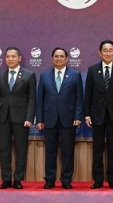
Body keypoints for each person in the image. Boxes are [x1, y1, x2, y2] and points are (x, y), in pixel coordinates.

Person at [36, 47, 84, 189]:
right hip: (49, 120)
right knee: (50, 152)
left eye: (62, 56)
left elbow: (79, 99)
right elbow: (40, 99)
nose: (59, 58)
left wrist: (78, 116)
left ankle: (66, 180)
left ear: (67, 59)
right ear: (52, 59)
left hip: (68, 120)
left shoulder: (75, 75)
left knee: (67, 152)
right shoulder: (44, 76)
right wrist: (40, 119)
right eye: (56, 56)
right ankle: (49, 180)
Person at [84, 40, 113, 189]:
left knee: (112, 148)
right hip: (96, 115)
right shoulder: (92, 70)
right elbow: (88, 94)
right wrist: (87, 114)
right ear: (100, 52)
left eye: (111, 50)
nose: (108, 53)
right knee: (97, 148)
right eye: (105, 50)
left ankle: (112, 179)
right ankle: (97, 180)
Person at [0, 47, 36, 190]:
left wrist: (29, 117)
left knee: (21, 150)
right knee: (4, 150)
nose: (10, 59)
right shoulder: (0, 75)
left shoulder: (29, 75)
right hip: (3, 118)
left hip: (22, 119)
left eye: (13, 56)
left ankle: (17, 179)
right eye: (8, 57)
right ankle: (6, 179)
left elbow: (32, 99)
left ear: (19, 58)